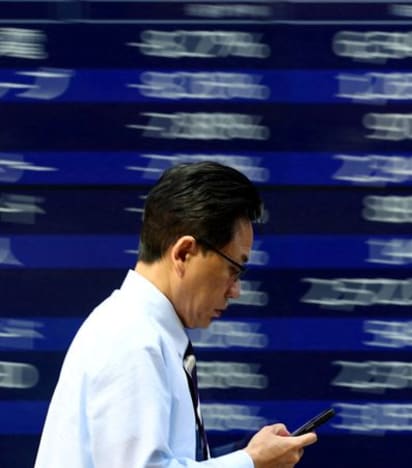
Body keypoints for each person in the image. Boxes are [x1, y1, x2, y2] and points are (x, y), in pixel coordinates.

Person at [34, 161, 317, 467]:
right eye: (233, 269)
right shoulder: (132, 338)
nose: (236, 290)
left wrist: (249, 457)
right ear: (184, 253)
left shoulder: (140, 330)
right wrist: (251, 462)